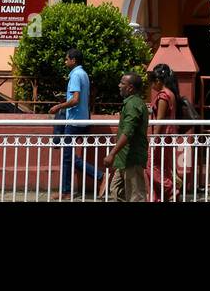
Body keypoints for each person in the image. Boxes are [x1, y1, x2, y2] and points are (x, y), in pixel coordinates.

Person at [48, 49, 104, 199]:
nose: (65, 62)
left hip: (74, 121)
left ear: (73, 60)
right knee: (69, 156)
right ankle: (68, 190)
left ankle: (98, 177)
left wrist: (58, 106)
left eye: (67, 59)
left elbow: (75, 99)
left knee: (67, 156)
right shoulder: (84, 74)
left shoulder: (75, 75)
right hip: (83, 119)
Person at [103, 71, 148, 202]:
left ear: (130, 88)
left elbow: (128, 132)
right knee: (116, 191)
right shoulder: (130, 103)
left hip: (132, 158)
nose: (119, 85)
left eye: (122, 83)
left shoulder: (133, 105)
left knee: (135, 196)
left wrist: (112, 154)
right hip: (124, 159)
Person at [146, 64, 180, 201]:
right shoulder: (171, 93)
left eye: (152, 82)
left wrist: (153, 139)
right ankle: (159, 197)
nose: (151, 86)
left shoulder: (163, 96)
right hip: (168, 137)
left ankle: (171, 189)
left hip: (161, 137)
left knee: (150, 166)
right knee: (162, 168)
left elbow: (159, 120)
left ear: (158, 81)